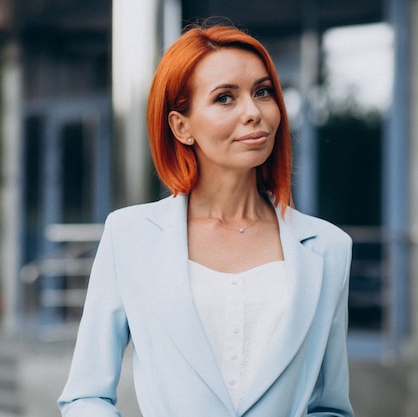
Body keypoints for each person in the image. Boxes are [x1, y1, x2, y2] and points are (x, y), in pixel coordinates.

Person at [58, 22, 354, 417]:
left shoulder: (329, 248)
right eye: (225, 98)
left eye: (262, 92)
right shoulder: (128, 236)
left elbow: (330, 406)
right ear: (182, 127)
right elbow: (85, 395)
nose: (253, 112)